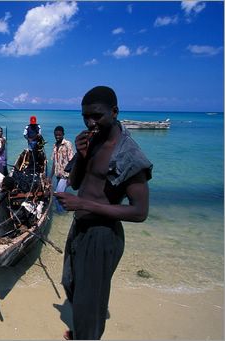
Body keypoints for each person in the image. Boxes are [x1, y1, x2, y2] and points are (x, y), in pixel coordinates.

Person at [54, 86, 152, 340]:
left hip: (102, 234)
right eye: (85, 116)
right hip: (81, 227)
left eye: (97, 116)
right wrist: (83, 156)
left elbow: (140, 211)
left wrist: (84, 205)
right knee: (70, 282)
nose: (90, 122)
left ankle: (86, 333)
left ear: (115, 112)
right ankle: (84, 328)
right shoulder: (91, 140)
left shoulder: (128, 154)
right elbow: (75, 183)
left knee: (91, 303)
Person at [50, 126, 75, 214]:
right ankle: (62, 211)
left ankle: (61, 214)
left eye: (59, 135)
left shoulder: (68, 144)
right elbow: (54, 162)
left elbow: (72, 161)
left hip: (65, 175)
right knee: (60, 195)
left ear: (63, 134)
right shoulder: (54, 145)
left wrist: (70, 178)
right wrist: (50, 177)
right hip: (58, 175)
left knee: (57, 196)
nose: (57, 137)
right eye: (56, 135)